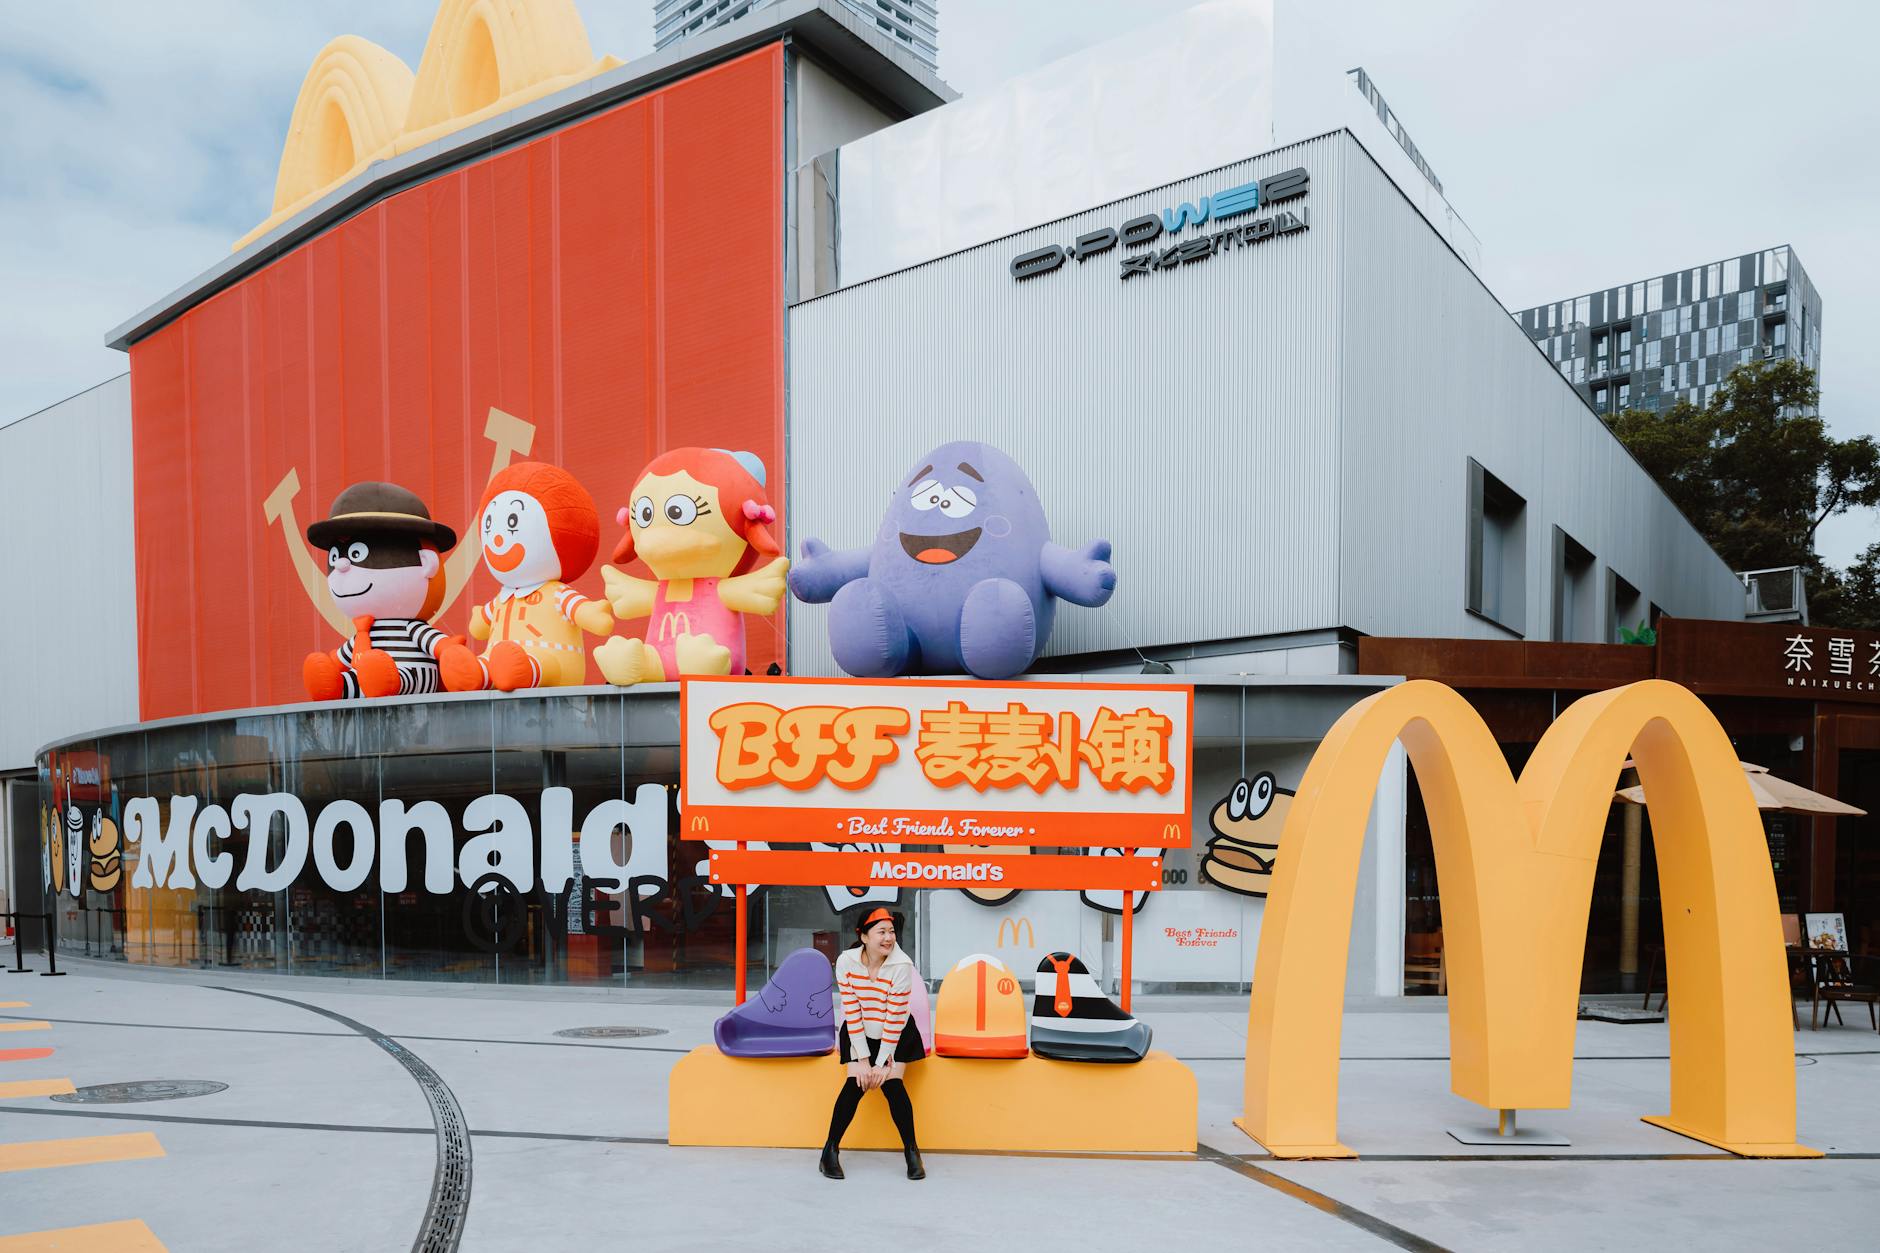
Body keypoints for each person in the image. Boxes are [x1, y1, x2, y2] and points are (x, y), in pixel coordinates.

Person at [821, 907, 925, 1180]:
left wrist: (881, 1063)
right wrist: (864, 1060)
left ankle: (912, 1151)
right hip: (860, 1032)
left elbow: (894, 1018)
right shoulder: (846, 962)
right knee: (855, 1083)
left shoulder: (902, 965)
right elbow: (852, 1011)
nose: (888, 938)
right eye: (881, 932)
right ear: (864, 936)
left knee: (892, 1084)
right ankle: (830, 1150)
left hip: (896, 1033)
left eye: (891, 931)